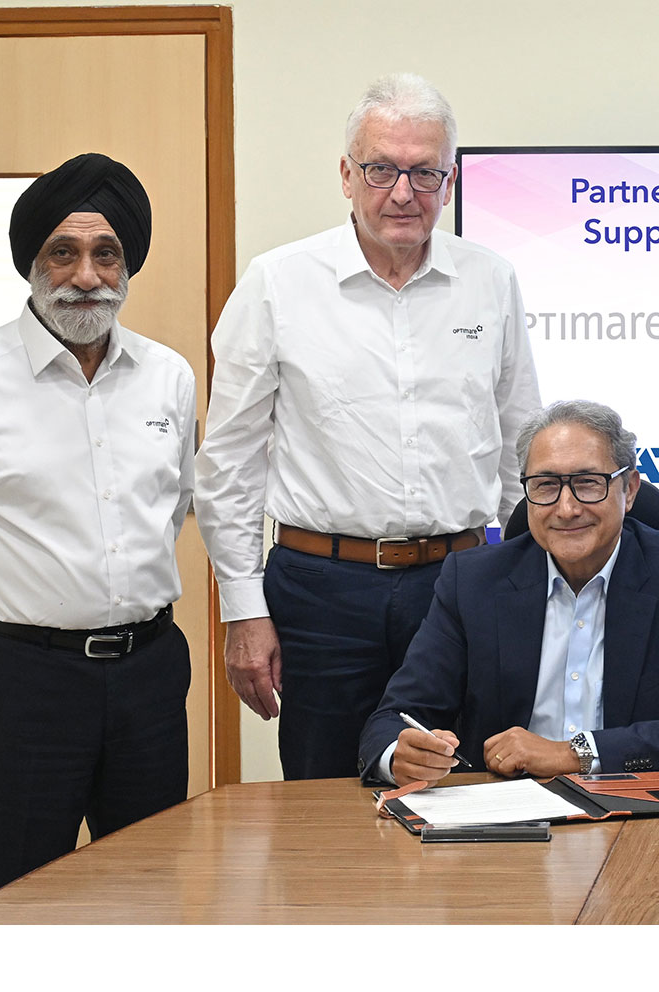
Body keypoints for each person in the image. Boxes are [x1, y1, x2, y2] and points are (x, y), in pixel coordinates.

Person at [196, 73, 540, 779]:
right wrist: (243, 609)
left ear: (449, 180)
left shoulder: (490, 280)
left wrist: (535, 578)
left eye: (425, 173)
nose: (403, 193)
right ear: (348, 175)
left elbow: (520, 444)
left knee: (465, 785)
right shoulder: (277, 283)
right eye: (383, 169)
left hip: (460, 579)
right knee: (325, 800)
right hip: (321, 588)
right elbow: (228, 463)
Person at [0, 154, 196, 905]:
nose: (87, 276)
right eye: (64, 253)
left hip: (147, 673)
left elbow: (172, 505)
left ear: (127, 264)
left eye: (106, 253)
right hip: (21, 683)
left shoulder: (168, 377)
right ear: (33, 264)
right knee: (11, 899)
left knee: (147, 890)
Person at [359, 400, 659, 785]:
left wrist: (574, 753)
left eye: (587, 483)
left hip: (637, 812)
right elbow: (394, 718)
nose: (566, 508)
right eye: (546, 485)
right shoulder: (473, 581)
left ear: (629, 489)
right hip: (508, 819)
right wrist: (400, 755)